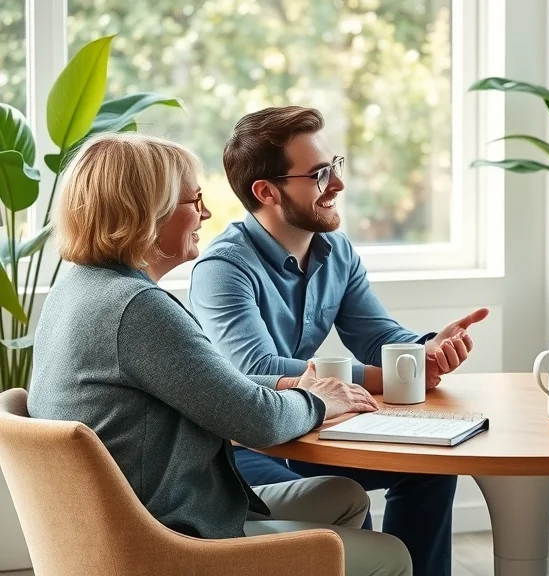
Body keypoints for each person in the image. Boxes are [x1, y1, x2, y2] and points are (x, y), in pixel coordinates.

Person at [27, 132, 412, 576]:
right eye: (195, 200)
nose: (206, 214)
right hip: (165, 536)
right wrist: (319, 401)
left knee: (344, 495)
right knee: (391, 557)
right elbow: (256, 420)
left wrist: (297, 387)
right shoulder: (137, 309)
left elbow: (210, 387)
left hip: (129, 515)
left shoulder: (77, 289)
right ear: (147, 212)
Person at [188, 106, 486, 576]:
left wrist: (424, 351)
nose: (339, 185)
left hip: (315, 430)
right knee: (346, 508)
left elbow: (377, 335)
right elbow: (253, 371)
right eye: (320, 174)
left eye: (336, 166)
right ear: (266, 191)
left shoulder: (336, 250)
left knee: (430, 469)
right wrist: (382, 375)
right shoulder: (222, 269)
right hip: (240, 450)